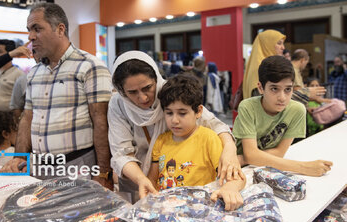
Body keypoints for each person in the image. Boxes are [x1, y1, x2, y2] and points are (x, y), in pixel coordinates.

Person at [0, 3, 113, 189]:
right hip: (38, 168)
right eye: (29, 30)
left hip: (77, 166)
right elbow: (27, 118)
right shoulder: (34, 72)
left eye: (37, 29)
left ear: (60, 29)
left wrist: (103, 172)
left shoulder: (90, 66)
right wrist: (19, 158)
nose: (30, 37)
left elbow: (101, 121)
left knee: (78, 217)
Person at [108, 50, 243, 202]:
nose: (142, 97)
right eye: (132, 92)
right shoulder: (118, 104)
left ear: (156, 79)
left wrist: (230, 150)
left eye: (147, 88)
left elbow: (214, 124)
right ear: (122, 91)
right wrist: (141, 180)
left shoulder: (171, 93)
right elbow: (122, 153)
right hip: (139, 184)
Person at [146, 74, 245, 210]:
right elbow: (152, 178)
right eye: (169, 113)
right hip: (165, 209)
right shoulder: (161, 140)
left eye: (182, 113)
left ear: (198, 111)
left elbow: (237, 177)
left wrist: (230, 188)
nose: (174, 120)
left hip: (197, 209)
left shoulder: (208, 139)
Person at [233, 55, 333, 177]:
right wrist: (304, 167)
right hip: (237, 169)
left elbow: (279, 152)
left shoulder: (297, 110)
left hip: (261, 168)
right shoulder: (248, 107)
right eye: (274, 89)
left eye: (288, 89)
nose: (282, 97)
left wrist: (246, 158)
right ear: (260, 88)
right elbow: (251, 154)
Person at [0, 43, 31, 115]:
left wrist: (11, 54)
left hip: (6, 119)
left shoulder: (19, 75)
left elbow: (20, 104)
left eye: (0, 52)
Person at [242, 29, 286, 99]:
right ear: (267, 45)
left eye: (283, 43)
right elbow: (260, 100)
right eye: (279, 43)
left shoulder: (266, 65)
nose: (283, 47)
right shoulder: (261, 68)